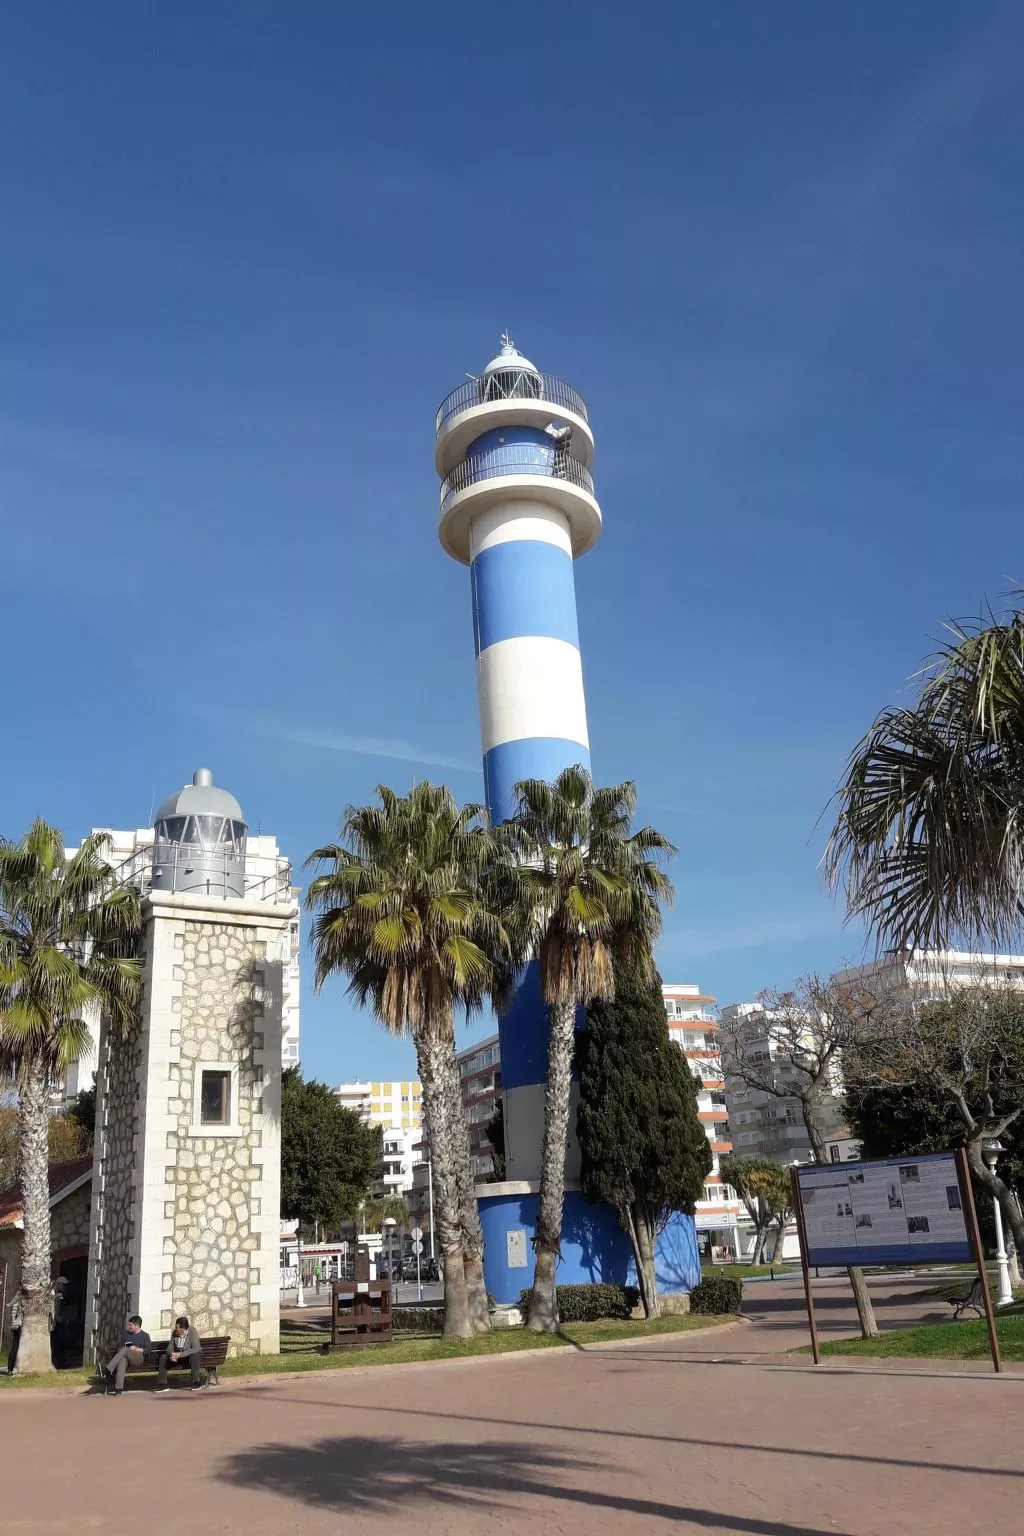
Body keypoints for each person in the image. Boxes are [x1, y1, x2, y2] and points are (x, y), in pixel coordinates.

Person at [104, 1316, 151, 1395]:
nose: (129, 1327)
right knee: (122, 1361)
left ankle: (108, 1369)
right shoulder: (126, 1334)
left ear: (137, 1326)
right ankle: (119, 1389)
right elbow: (119, 1348)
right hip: (126, 1358)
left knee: (126, 1349)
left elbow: (148, 1351)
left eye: (130, 1325)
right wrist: (125, 1350)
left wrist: (136, 1349)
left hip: (138, 1358)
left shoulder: (145, 1336)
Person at [156, 1316, 201, 1392]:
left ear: (183, 1328)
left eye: (177, 1327)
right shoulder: (175, 1333)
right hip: (177, 1358)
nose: (175, 1329)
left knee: (194, 1355)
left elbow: (195, 1348)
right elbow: (169, 1348)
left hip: (188, 1357)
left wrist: (181, 1354)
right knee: (163, 1357)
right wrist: (172, 1355)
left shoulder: (192, 1331)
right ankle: (162, 1384)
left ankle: (196, 1382)